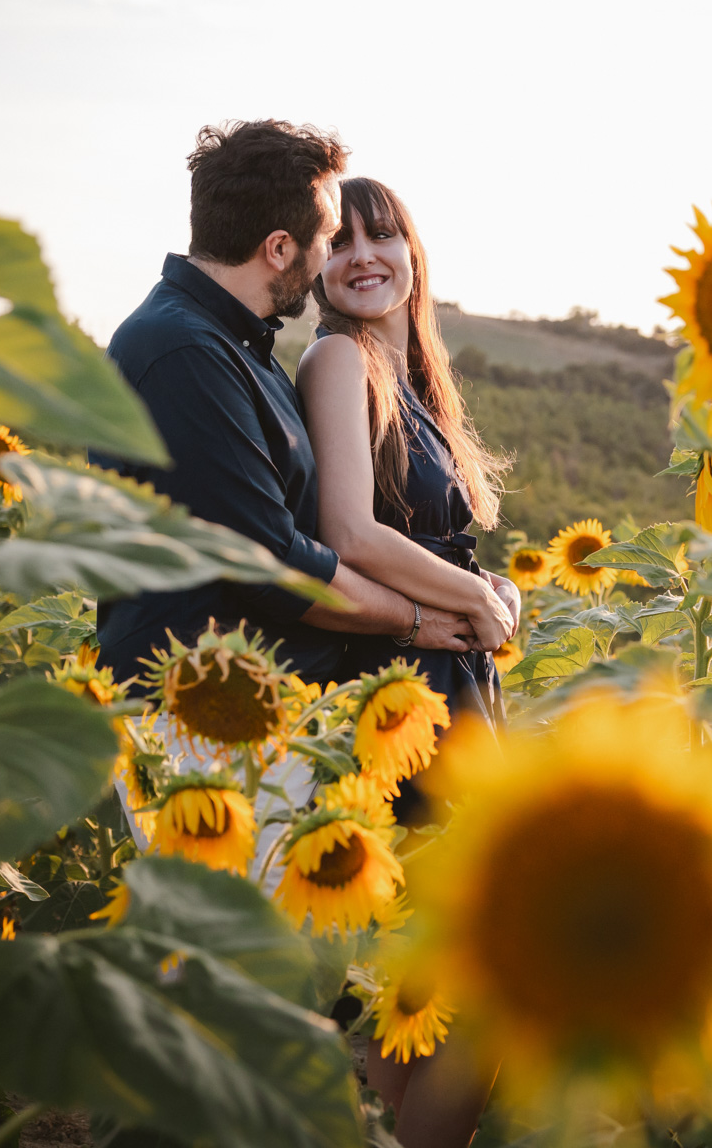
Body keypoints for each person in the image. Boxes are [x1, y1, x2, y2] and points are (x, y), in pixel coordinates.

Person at [94, 122, 482, 692]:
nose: (334, 255)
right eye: (330, 237)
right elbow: (271, 561)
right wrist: (416, 619)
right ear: (279, 248)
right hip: (199, 707)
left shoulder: (239, 350)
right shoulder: (185, 352)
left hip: (252, 701)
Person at [297, 177, 514, 1148]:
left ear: (415, 255)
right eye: (341, 242)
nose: (363, 256)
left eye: (383, 236)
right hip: (399, 706)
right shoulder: (340, 358)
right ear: (316, 267)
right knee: (456, 987)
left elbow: (438, 542)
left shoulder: (412, 377)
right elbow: (349, 530)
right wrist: (475, 600)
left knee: (421, 998)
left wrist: (492, 593)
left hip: (455, 700)